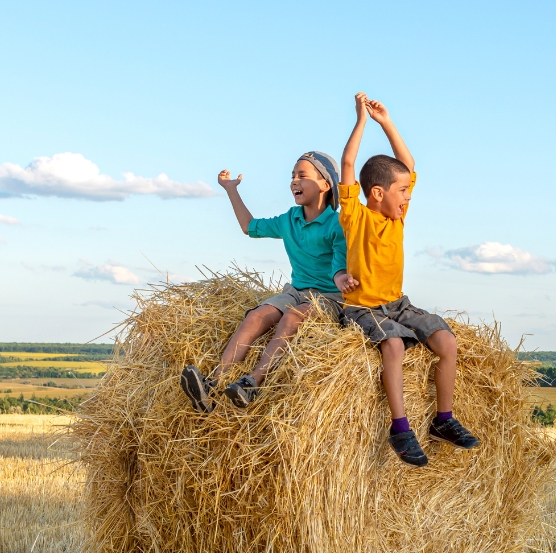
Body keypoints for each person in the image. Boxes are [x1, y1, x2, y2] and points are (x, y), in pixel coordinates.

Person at [338, 93, 479, 467]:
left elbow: (409, 165)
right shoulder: (355, 217)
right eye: (402, 191)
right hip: (362, 307)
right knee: (396, 347)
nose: (407, 196)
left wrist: (387, 122)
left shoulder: (397, 218)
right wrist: (362, 121)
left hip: (398, 303)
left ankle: (443, 420)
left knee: (446, 341)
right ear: (377, 194)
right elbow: (349, 162)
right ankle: (400, 428)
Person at [180, 151, 358, 412]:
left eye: (302, 176)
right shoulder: (289, 219)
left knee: (292, 318)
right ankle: (212, 383)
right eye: (292, 176)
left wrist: (344, 280)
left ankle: (252, 382)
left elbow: (339, 267)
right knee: (256, 316)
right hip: (295, 290)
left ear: (325, 184)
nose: (294, 181)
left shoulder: (337, 223)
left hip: (328, 297)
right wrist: (231, 190)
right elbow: (249, 227)